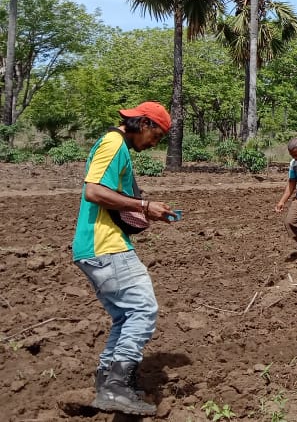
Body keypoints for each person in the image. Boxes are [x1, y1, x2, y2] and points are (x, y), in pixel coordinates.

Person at [72, 102, 177, 416]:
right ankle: (118, 387)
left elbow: (111, 197)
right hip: (104, 245)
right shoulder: (113, 143)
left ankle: (107, 382)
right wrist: (144, 205)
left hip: (96, 246)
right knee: (144, 310)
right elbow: (94, 191)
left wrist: (145, 211)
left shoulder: (118, 147)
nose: (154, 144)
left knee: (125, 316)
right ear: (143, 124)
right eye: (156, 136)